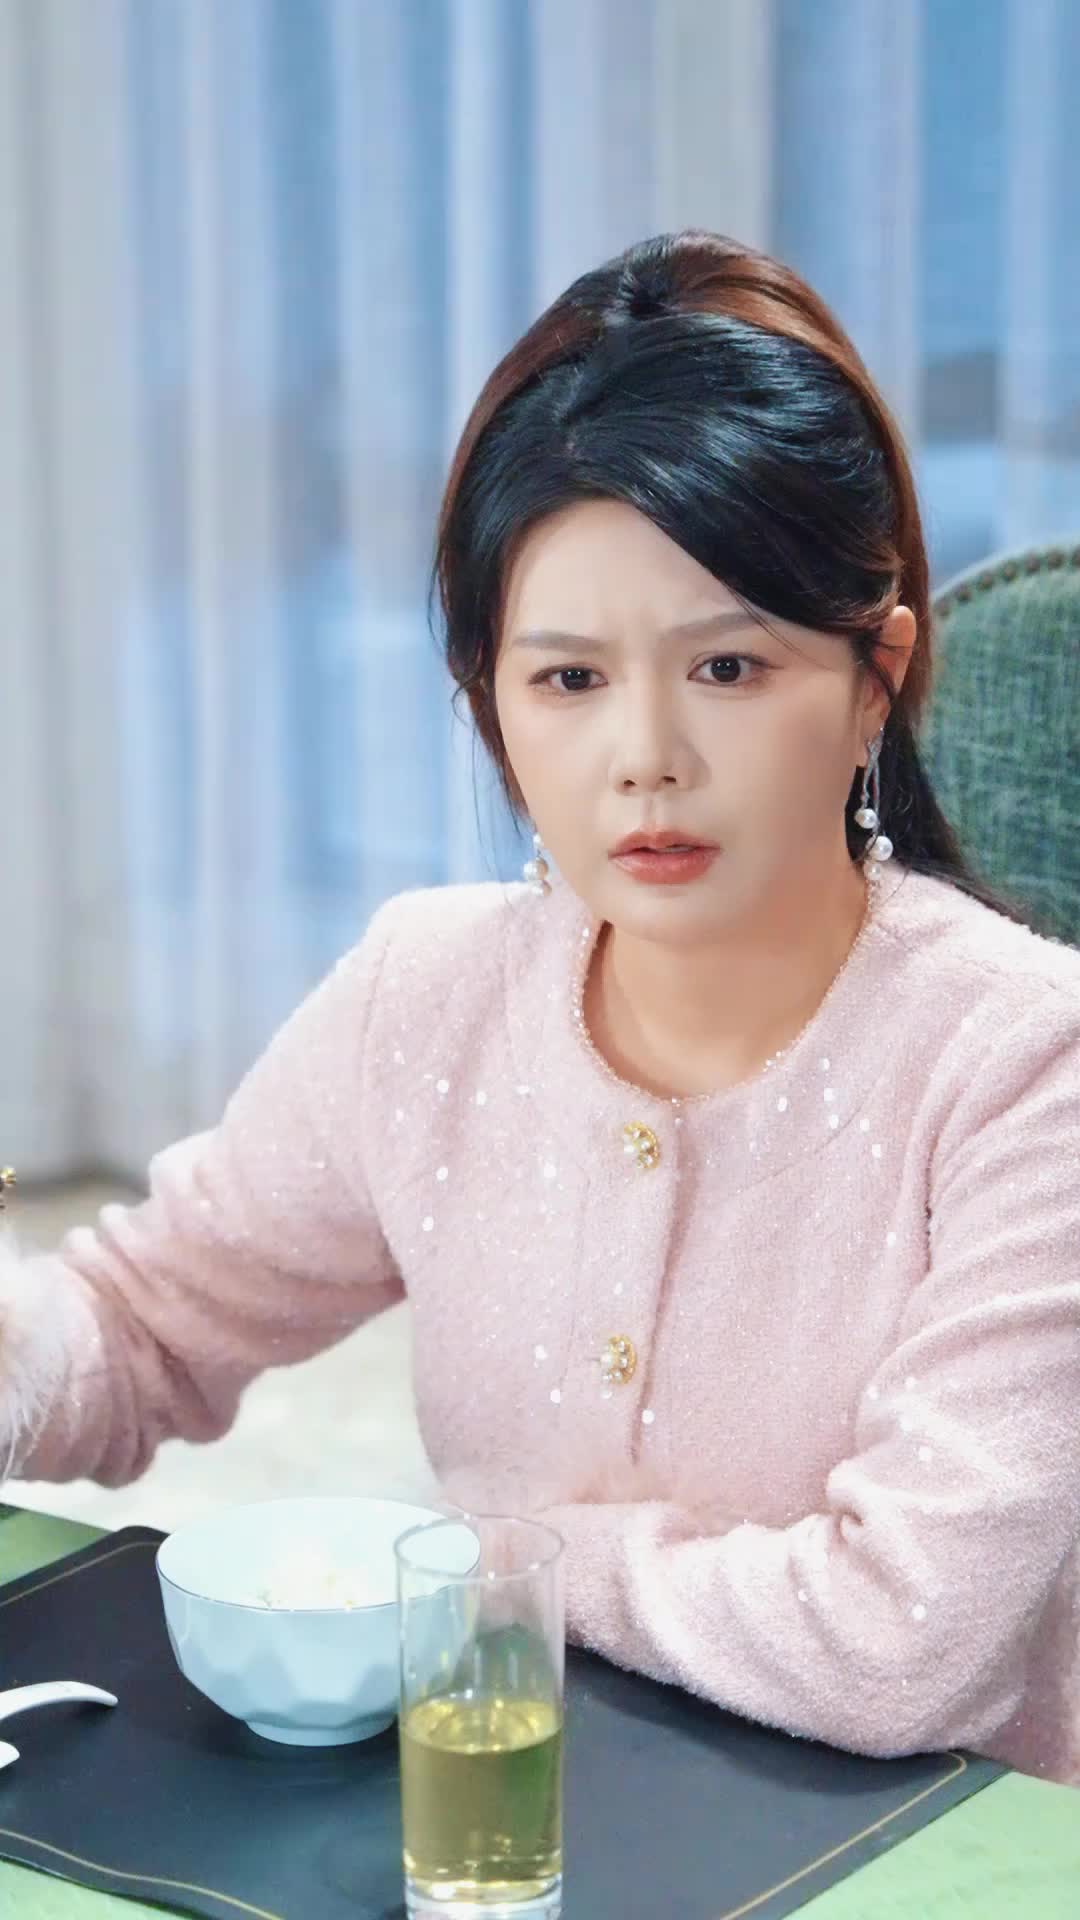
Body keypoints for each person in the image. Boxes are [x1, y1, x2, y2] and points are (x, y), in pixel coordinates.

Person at [2, 230, 1078, 1786]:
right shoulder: (428, 993)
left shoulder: (1026, 1064)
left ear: (873, 678)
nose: (646, 758)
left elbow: (905, 1638)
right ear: (487, 697)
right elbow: (138, 1330)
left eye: (728, 668)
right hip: (505, 1827)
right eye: (568, 681)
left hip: (923, 1859)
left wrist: (499, 1568)